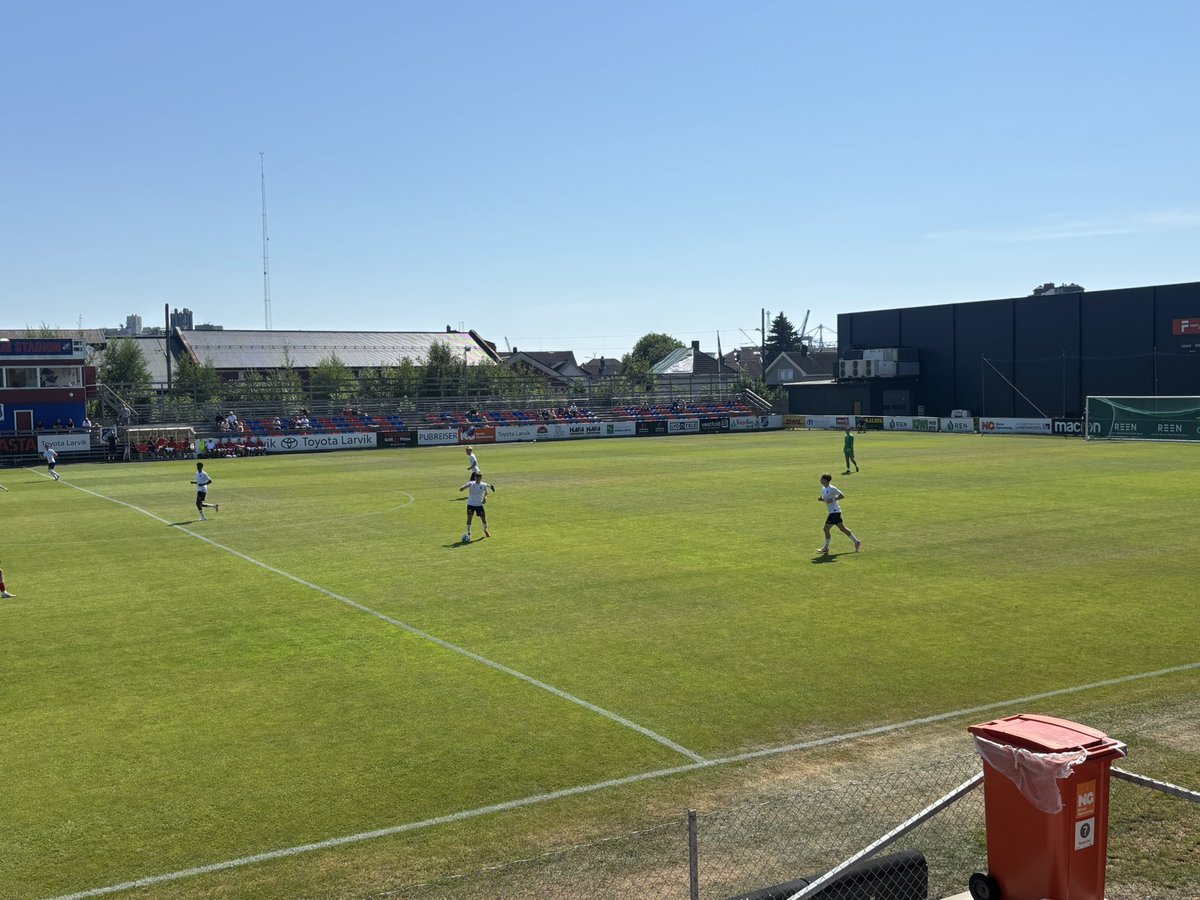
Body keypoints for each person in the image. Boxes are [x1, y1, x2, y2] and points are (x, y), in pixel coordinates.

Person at [817, 473, 861, 555]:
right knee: (843, 529)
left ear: (826, 480)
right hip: (833, 512)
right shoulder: (823, 489)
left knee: (826, 529)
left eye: (821, 479)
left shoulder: (832, 488)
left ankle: (826, 547)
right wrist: (822, 499)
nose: (820, 480)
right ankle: (856, 541)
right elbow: (828, 500)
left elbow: (842, 496)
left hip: (835, 511)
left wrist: (833, 499)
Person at [457, 471, 495, 540]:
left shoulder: (483, 485)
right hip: (471, 504)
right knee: (469, 519)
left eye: (479, 478)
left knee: (484, 520)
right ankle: (469, 533)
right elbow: (461, 489)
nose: (478, 479)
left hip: (479, 505)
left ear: (481, 478)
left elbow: (486, 493)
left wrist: (485, 498)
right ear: (475, 478)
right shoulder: (471, 483)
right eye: (477, 478)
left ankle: (485, 530)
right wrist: (464, 487)